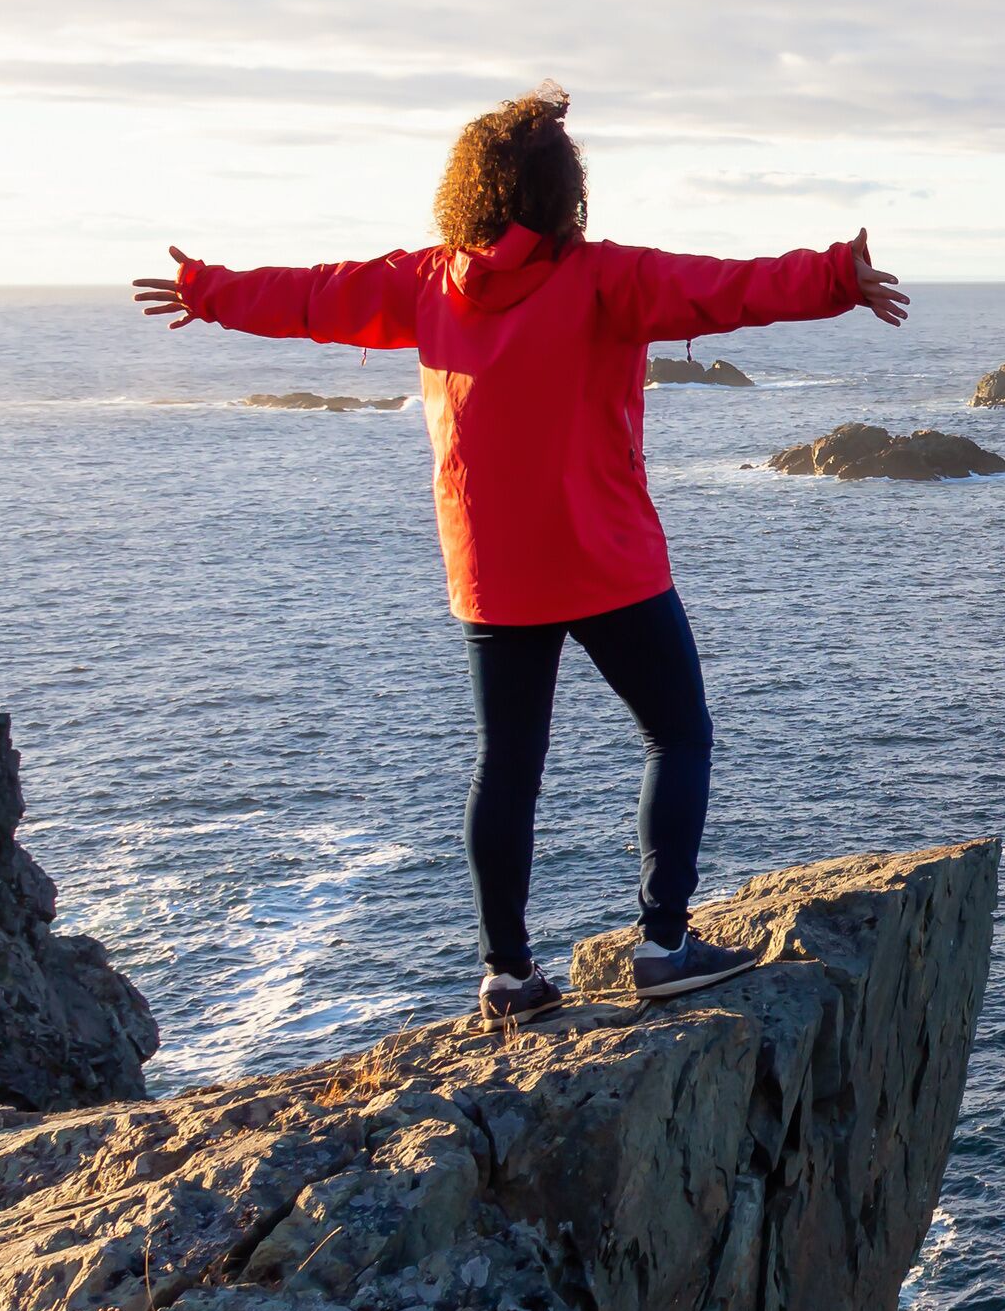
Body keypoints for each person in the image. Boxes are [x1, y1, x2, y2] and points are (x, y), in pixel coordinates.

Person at [134, 85, 909, 1023]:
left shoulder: (426, 281)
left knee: (506, 764)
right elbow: (722, 286)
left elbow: (310, 294)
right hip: (604, 553)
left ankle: (507, 973)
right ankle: (663, 944)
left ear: (467, 190)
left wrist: (205, 289)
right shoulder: (601, 277)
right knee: (677, 733)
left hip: (493, 568)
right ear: (565, 192)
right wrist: (835, 275)